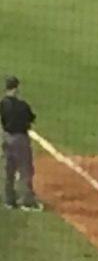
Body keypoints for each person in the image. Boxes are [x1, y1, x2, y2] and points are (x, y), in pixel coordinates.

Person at [1, 77, 41, 212]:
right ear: (16, 88)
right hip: (20, 139)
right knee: (25, 170)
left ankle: (9, 201)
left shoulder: (2, 103)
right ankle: (26, 202)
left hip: (7, 139)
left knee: (9, 170)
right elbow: (31, 118)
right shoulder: (22, 105)